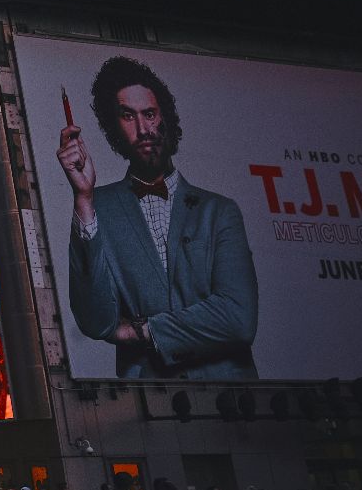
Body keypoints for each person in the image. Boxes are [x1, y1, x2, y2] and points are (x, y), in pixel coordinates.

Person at [57, 55, 258, 378]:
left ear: (166, 117)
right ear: (113, 128)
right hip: (149, 404)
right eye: (127, 116)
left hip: (233, 404)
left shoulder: (219, 212)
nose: (143, 129)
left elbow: (238, 319)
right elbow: (97, 322)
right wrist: (83, 197)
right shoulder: (98, 207)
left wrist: (143, 331)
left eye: (149, 114)